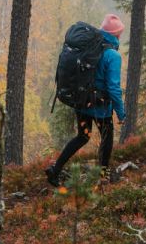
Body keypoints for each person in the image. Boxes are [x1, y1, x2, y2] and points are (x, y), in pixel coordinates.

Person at [46, 14, 127, 186]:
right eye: (120, 33)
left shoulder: (91, 46)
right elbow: (113, 88)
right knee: (106, 139)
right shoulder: (113, 55)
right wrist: (121, 113)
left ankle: (55, 169)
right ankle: (103, 177)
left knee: (83, 136)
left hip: (82, 102)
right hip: (100, 107)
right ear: (116, 34)